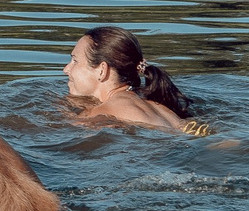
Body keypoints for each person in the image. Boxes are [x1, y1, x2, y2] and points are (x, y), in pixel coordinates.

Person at [63, 24, 210, 135]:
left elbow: (64, 131)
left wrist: (65, 109)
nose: (66, 69)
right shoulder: (161, 107)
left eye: (75, 61)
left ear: (102, 70)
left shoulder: (101, 112)